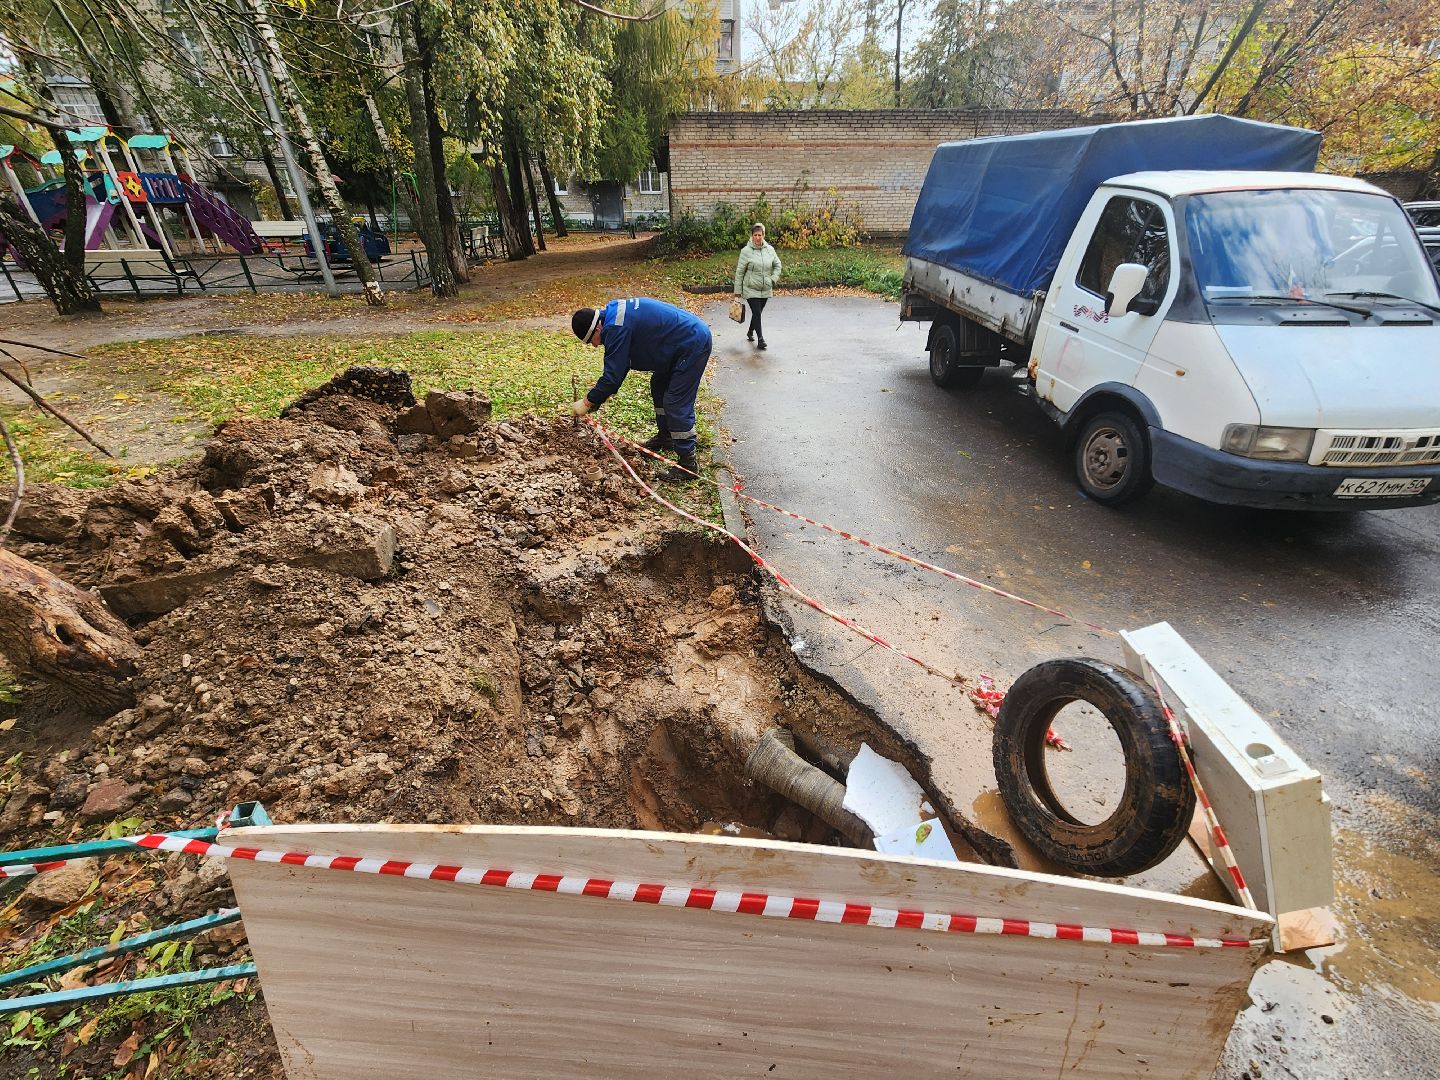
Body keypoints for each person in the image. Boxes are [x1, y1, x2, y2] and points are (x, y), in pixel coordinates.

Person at [570, 298, 713, 481]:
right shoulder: (613, 316)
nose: (596, 345)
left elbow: (613, 377)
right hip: (678, 343)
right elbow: (621, 364)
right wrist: (596, 398)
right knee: (659, 384)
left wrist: (588, 402)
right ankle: (666, 436)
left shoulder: (615, 328)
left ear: (597, 329)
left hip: (692, 343)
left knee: (675, 402)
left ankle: (688, 464)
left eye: (592, 341)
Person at [733, 223, 782, 350]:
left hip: (765, 287)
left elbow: (778, 265)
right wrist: (737, 293)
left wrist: (772, 279)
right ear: (752, 236)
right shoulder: (746, 252)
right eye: (755, 235)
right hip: (750, 287)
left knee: (757, 313)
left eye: (760, 235)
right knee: (757, 312)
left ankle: (750, 331)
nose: (757, 237)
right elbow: (739, 272)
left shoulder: (770, 250)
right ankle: (761, 339)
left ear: (763, 235)